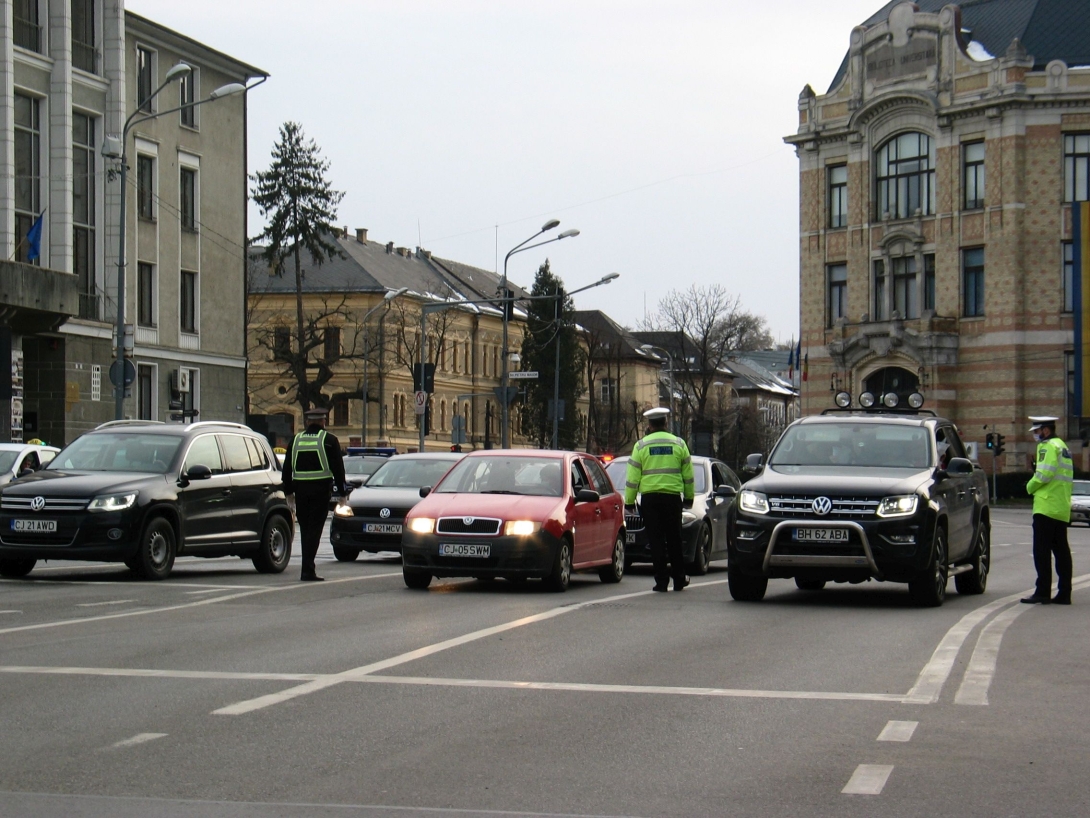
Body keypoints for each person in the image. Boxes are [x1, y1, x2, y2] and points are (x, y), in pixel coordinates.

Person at [624, 407, 695, 592]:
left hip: (650, 500)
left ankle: (661, 581)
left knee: (655, 540)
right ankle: (679, 579)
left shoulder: (641, 446)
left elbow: (632, 479)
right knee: (674, 539)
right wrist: (689, 498)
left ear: (649, 425)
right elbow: (688, 475)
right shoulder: (679, 444)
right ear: (666, 423)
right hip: (672, 499)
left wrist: (629, 502)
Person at [282, 407, 348, 582]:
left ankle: (307, 568)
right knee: (315, 531)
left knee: (305, 530)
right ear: (323, 421)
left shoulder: (295, 440)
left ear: (307, 422)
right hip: (320, 493)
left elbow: (287, 468)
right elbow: (338, 470)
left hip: (300, 493)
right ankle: (308, 569)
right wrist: (342, 493)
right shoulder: (329, 440)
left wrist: (288, 493)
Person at [1022, 416, 1074, 605]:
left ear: (1045, 430)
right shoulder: (1063, 446)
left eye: (1036, 432)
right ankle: (1064, 593)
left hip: (1045, 506)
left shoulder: (1047, 446)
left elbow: (1044, 474)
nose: (1035, 436)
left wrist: (1029, 487)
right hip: (1061, 506)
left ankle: (1043, 591)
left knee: (1041, 551)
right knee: (1061, 551)